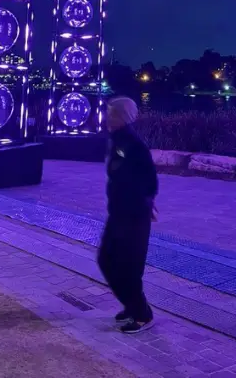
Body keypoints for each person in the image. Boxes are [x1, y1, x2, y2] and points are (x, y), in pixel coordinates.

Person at [98, 97, 158, 335]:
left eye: (112, 114)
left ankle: (142, 314)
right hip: (118, 213)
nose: (107, 117)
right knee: (106, 260)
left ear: (122, 117)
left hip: (133, 216)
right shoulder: (117, 139)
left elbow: (150, 179)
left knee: (129, 266)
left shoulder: (134, 144)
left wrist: (147, 202)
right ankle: (132, 305)